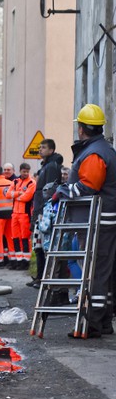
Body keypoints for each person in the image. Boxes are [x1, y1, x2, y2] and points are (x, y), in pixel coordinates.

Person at [65, 104, 116, 338]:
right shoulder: (102, 149)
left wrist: (61, 191)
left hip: (98, 222)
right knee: (104, 271)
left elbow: (88, 186)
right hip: (102, 221)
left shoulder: (95, 153)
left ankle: (93, 323)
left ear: (81, 129)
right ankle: (103, 321)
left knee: (95, 272)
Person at [27, 139, 64, 288]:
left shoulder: (52, 166)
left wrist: (44, 211)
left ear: (51, 150)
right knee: (38, 245)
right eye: (40, 147)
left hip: (44, 211)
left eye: (43, 147)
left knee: (44, 246)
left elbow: (49, 190)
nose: (40, 149)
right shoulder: (46, 166)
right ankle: (40, 277)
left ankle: (44, 278)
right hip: (40, 209)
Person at [5, 163, 35, 270]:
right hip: (15, 213)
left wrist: (15, 196)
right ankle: (19, 260)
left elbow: (27, 197)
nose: (26, 173)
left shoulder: (31, 182)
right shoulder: (15, 181)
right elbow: (8, 194)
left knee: (25, 237)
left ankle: (26, 261)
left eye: (27, 171)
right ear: (20, 171)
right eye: (24, 171)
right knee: (15, 238)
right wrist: (19, 193)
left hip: (25, 214)